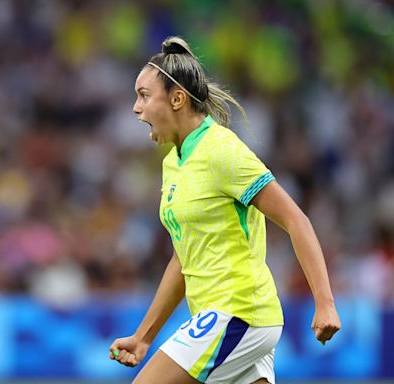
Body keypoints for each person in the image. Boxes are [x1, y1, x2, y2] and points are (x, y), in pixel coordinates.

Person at [109, 36, 341, 384]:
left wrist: (324, 302)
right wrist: (143, 336)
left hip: (237, 312)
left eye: (143, 95)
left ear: (177, 99)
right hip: (232, 318)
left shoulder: (221, 150)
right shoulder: (174, 161)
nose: (135, 108)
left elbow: (296, 219)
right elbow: (183, 258)